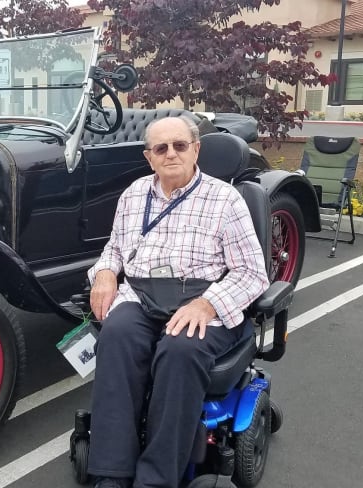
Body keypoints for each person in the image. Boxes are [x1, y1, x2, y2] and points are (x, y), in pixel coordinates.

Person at [87, 115, 270, 488]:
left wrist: (207, 304)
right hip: (142, 294)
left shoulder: (225, 199)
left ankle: (155, 480)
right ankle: (111, 473)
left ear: (196, 149)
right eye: (161, 148)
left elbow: (252, 274)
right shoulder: (135, 194)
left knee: (180, 349)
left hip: (203, 300)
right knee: (117, 336)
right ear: (149, 157)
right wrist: (104, 273)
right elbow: (115, 249)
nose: (171, 154)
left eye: (180, 145)